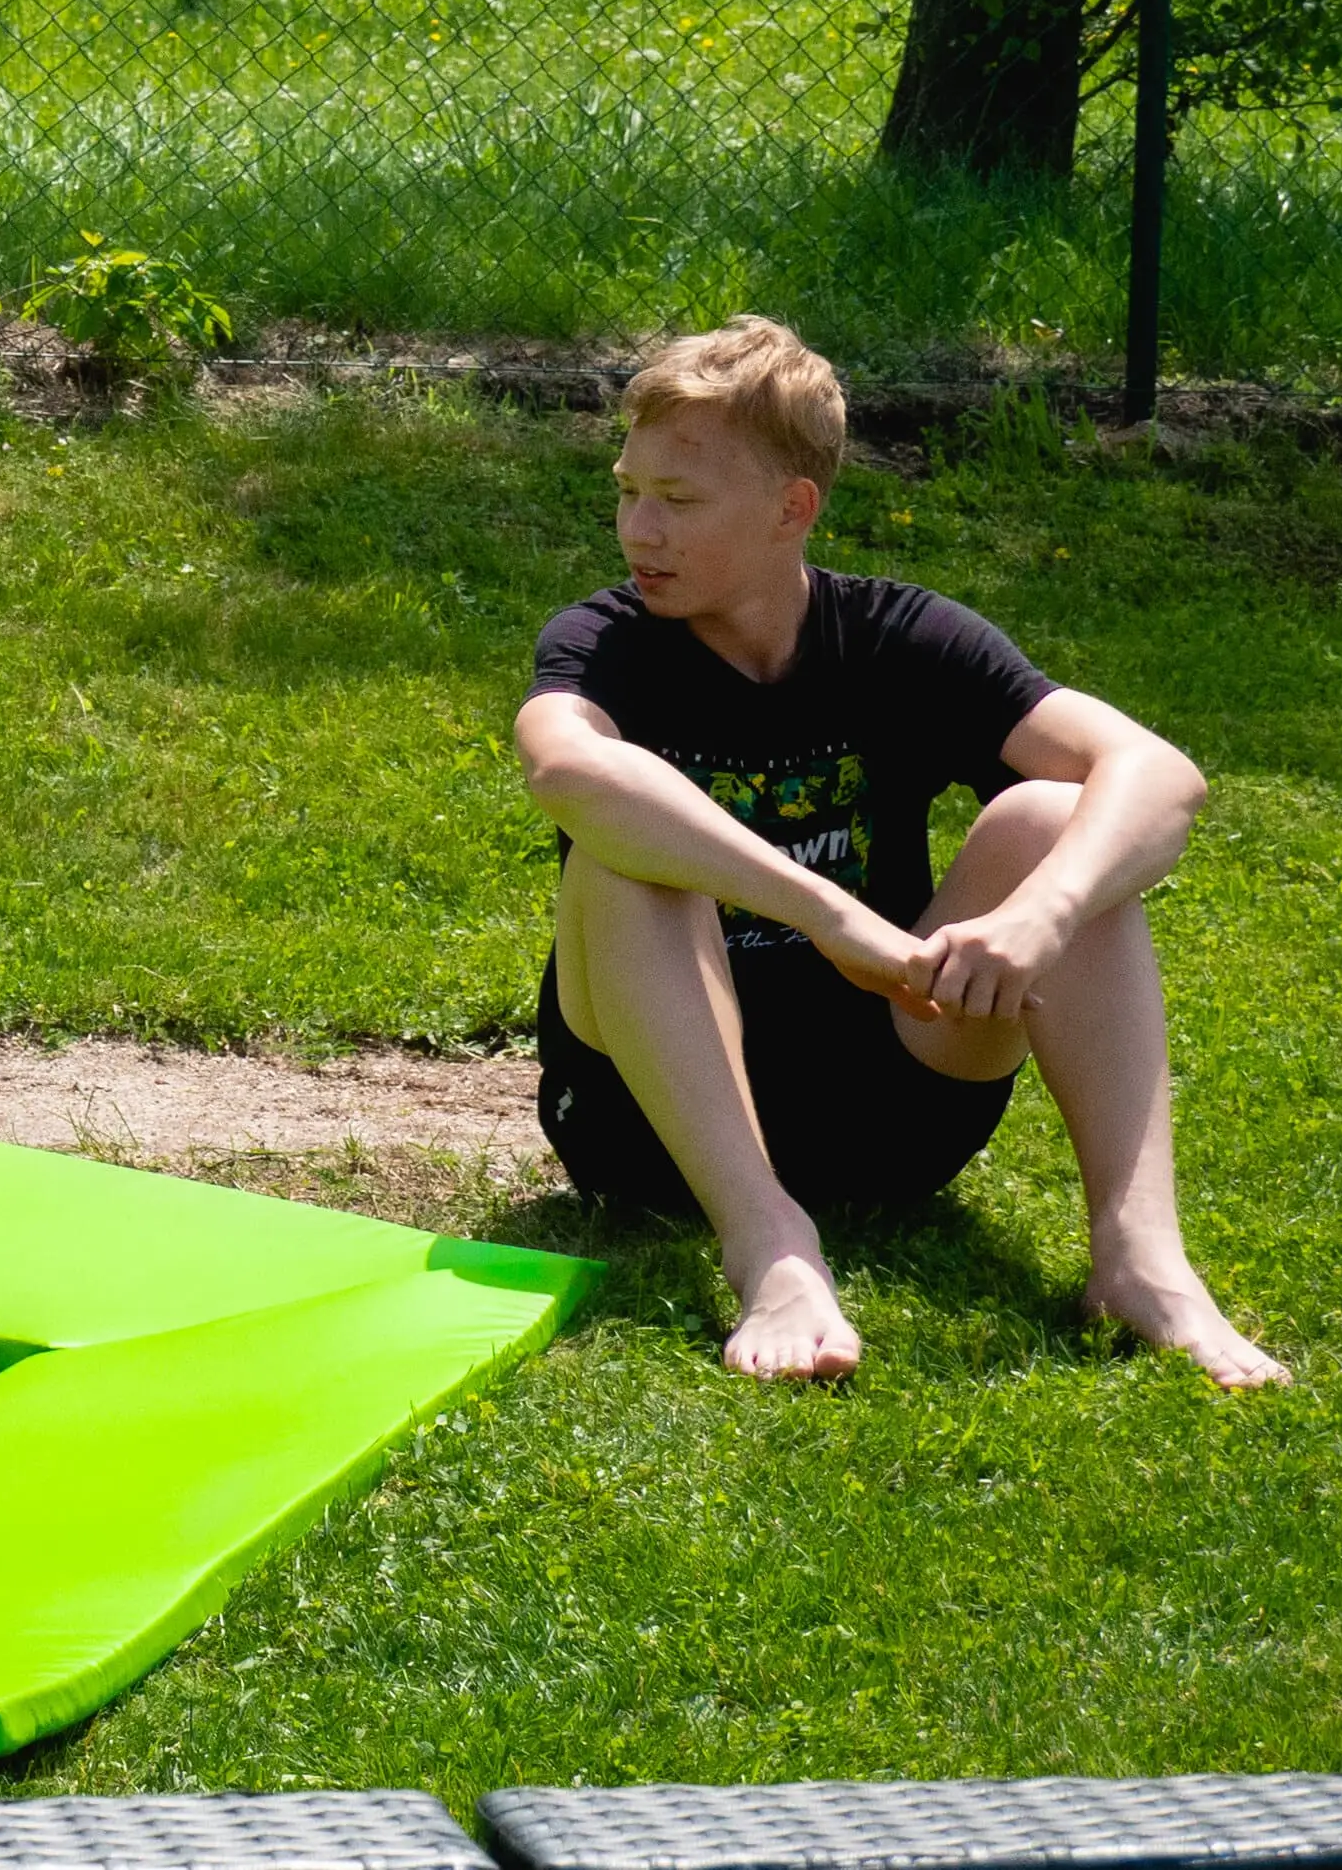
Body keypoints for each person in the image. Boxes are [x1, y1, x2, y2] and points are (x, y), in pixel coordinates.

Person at [515, 315, 1285, 1388]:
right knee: (622, 854)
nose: (637, 530)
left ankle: (1136, 1256)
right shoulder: (603, 643)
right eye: (626, 491)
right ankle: (767, 1245)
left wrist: (1039, 916)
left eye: (678, 502)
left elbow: (1158, 774)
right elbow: (566, 770)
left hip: (892, 1104)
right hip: (649, 1131)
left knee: (1053, 824)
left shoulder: (896, 637)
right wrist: (827, 915)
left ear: (794, 510)